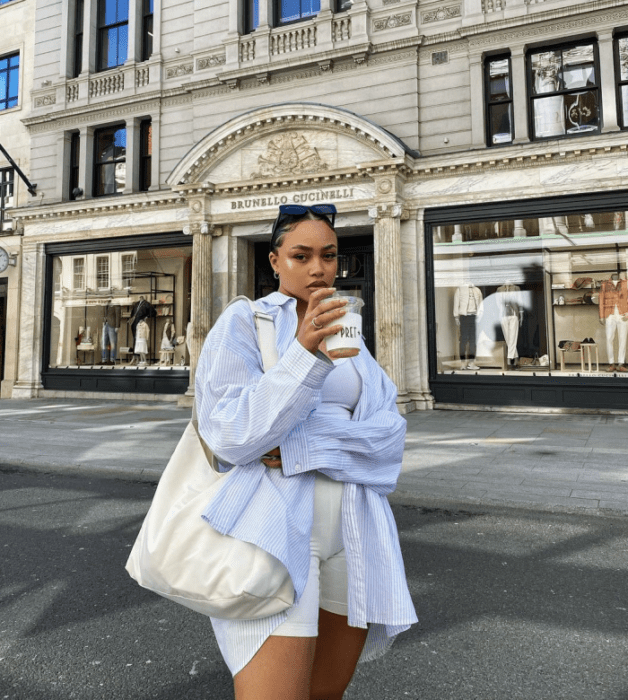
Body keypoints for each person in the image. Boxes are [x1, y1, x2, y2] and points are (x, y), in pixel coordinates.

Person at [195, 203, 417, 700]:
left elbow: (387, 441)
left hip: (356, 530)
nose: (318, 268)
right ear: (275, 261)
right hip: (275, 531)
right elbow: (232, 435)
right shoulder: (244, 323)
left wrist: (302, 446)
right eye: (301, 255)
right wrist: (302, 353)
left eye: (329, 255)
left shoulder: (350, 332)